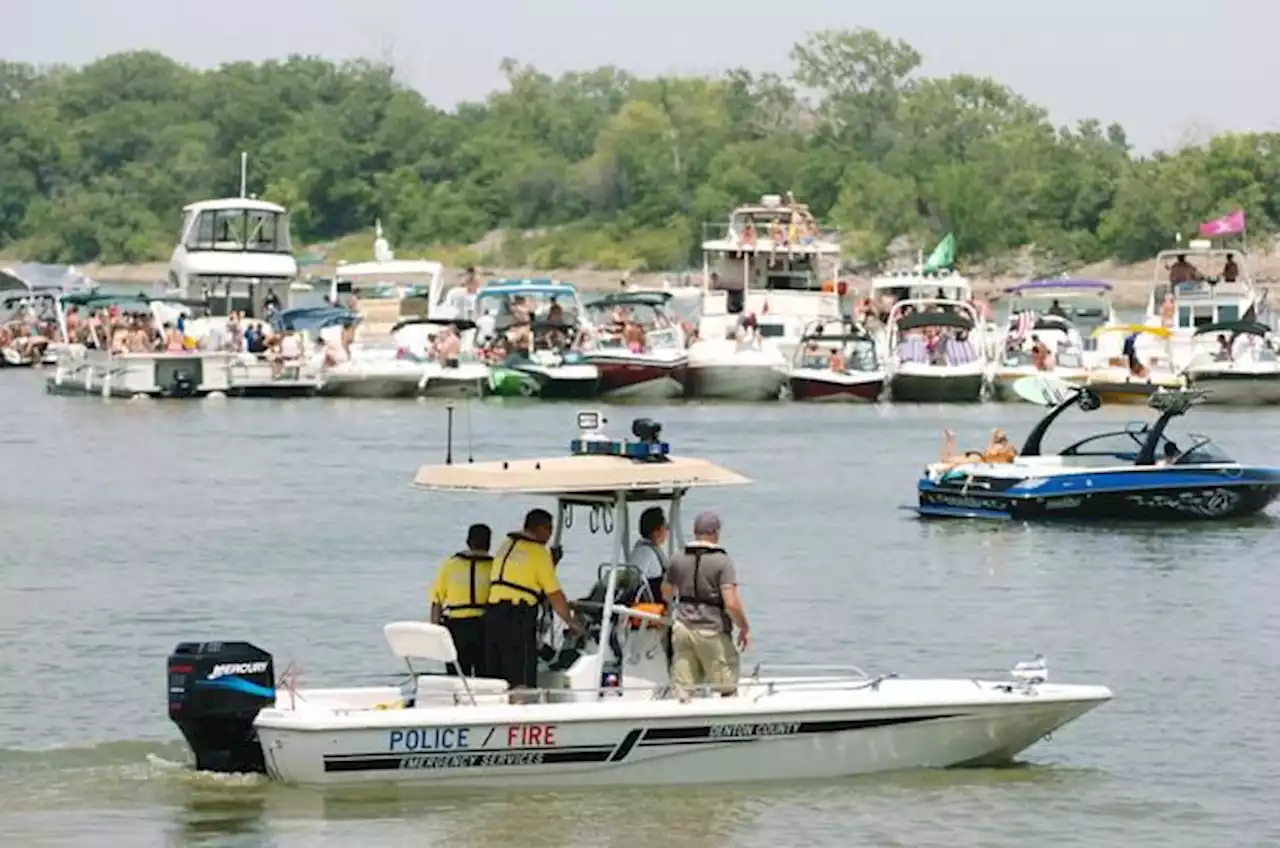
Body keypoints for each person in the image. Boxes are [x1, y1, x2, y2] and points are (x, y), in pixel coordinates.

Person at [485, 509, 582, 696]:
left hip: (493, 615)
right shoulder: (538, 553)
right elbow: (554, 594)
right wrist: (571, 622)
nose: (551, 534)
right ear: (539, 528)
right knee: (521, 674)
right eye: (549, 529)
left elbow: (524, 579)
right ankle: (522, 714)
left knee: (497, 673)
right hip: (517, 617)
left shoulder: (506, 546)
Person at [661, 511, 751, 702]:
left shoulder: (678, 557)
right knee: (726, 685)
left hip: (682, 628)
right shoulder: (722, 561)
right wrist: (744, 627)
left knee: (683, 688)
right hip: (712, 630)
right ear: (715, 532)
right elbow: (731, 603)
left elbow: (666, 592)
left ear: (695, 532)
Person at [429, 524, 493, 677]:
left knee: (457, 678)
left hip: (457, 630)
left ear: (468, 541)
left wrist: (436, 634)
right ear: (489, 543)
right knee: (485, 676)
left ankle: (457, 700)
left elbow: (436, 602)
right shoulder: (495, 566)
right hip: (485, 629)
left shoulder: (450, 565)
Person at [627, 507, 669, 602]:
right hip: (654, 607)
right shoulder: (647, 553)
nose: (667, 531)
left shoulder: (640, 549)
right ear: (658, 530)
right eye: (666, 527)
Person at [938, 428, 1018, 466]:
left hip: (978, 457)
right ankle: (950, 439)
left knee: (947, 460)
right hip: (978, 457)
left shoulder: (1001, 449)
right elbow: (990, 455)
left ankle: (950, 439)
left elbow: (989, 454)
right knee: (948, 460)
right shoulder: (1006, 449)